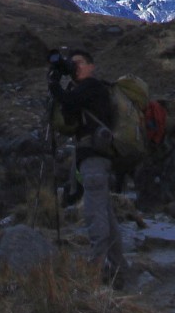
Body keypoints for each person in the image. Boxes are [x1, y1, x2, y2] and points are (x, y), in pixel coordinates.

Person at [47, 46, 129, 288]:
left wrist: (54, 85)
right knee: (107, 216)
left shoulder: (92, 87)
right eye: (73, 64)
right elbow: (70, 117)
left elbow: (68, 101)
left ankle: (94, 272)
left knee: (95, 213)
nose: (76, 67)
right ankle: (122, 272)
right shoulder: (84, 91)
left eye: (80, 62)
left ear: (92, 66)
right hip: (93, 158)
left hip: (93, 158)